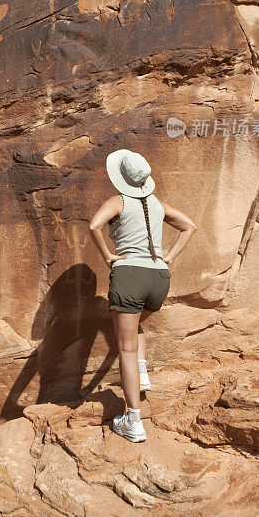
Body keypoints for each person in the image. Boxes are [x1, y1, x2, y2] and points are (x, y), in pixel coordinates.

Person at [88, 149, 197, 442]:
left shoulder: (118, 201)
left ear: (120, 178)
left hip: (131, 276)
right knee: (136, 325)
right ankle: (143, 374)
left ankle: (133, 421)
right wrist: (168, 257)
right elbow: (189, 226)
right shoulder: (157, 203)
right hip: (159, 278)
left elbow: (94, 225)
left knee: (125, 348)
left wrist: (109, 256)